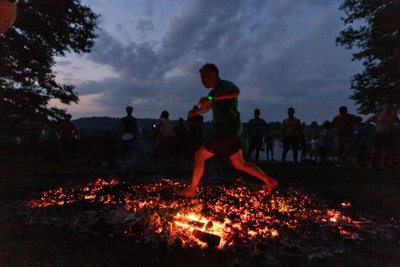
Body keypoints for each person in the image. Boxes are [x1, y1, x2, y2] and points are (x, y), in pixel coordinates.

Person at [175, 63, 277, 198]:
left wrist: (211, 98)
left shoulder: (225, 86)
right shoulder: (212, 92)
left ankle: (192, 191)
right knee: (240, 164)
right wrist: (196, 112)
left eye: (203, 77)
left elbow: (236, 92)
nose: (202, 81)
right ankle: (270, 181)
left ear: (212, 76)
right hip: (230, 132)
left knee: (199, 156)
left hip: (227, 132)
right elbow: (207, 108)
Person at [365, 102, 400, 167]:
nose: (387, 108)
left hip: (389, 134)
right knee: (376, 149)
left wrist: (396, 128)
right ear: (383, 108)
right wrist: (372, 125)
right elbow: (368, 121)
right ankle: (371, 163)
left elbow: (398, 123)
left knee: (386, 150)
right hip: (379, 133)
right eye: (386, 107)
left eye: (389, 107)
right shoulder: (378, 114)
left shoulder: (394, 116)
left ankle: (382, 164)